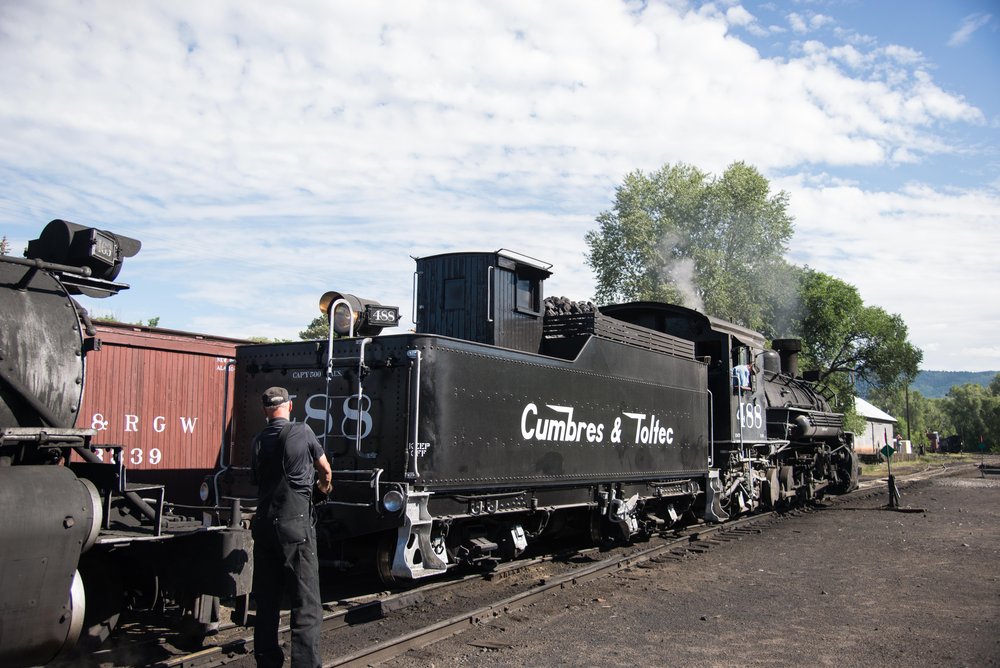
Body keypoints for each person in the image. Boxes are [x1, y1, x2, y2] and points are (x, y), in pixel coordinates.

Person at [251, 387, 332, 668]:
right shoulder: (303, 432)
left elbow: (258, 479)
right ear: (289, 406)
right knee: (306, 603)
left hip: (263, 525)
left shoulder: (259, 441)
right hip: (295, 527)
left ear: (265, 411)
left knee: (266, 601)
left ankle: (266, 660)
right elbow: (326, 470)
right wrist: (322, 490)